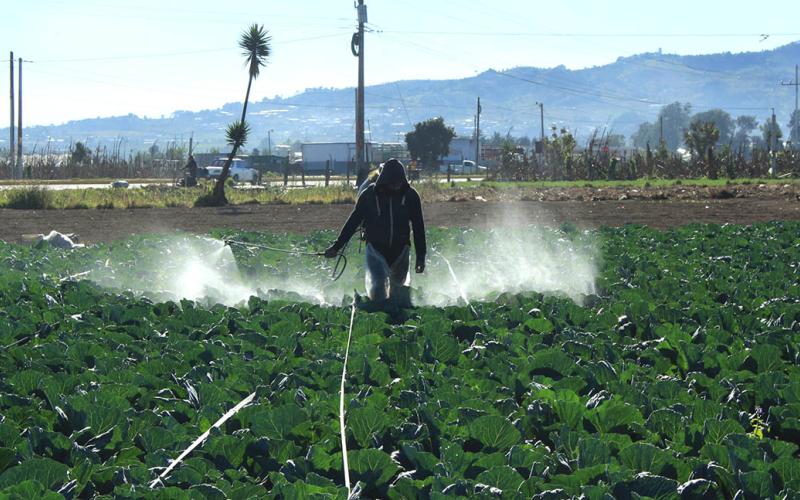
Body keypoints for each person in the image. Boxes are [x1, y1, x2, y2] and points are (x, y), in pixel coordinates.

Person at [324, 158, 426, 307]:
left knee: (398, 293)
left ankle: (397, 323)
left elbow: (418, 227)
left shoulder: (411, 196)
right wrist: (336, 247)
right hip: (376, 249)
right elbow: (353, 222)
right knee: (377, 288)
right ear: (385, 180)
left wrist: (421, 257)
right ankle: (378, 314)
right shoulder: (369, 195)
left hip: (401, 249)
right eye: (393, 182)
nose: (396, 186)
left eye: (399, 182)